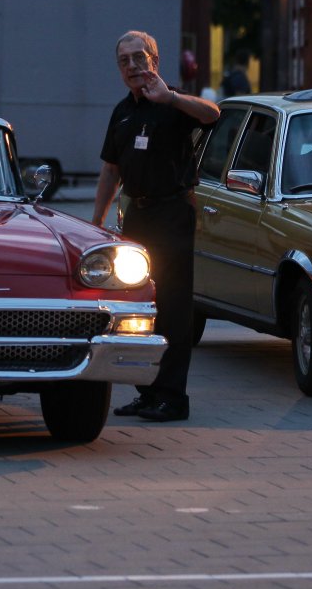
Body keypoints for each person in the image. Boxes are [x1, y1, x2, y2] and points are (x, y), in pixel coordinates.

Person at [92, 30, 221, 422]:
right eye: (124, 61)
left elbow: (212, 114)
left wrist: (171, 98)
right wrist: (96, 224)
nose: (132, 66)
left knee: (173, 307)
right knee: (139, 304)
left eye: (139, 57)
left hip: (172, 213)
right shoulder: (122, 111)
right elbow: (110, 170)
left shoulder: (174, 102)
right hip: (137, 216)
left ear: (155, 60)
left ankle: (172, 397)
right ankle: (146, 392)